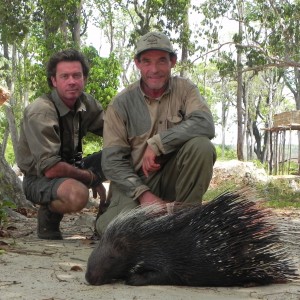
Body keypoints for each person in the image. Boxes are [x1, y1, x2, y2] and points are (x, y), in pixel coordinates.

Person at [96, 31, 217, 235]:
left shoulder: (186, 89)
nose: (154, 69)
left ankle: (186, 222)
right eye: (147, 62)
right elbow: (112, 162)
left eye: (161, 61)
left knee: (202, 146)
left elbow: (205, 123)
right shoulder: (120, 104)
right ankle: (121, 217)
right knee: (119, 232)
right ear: (137, 63)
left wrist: (158, 143)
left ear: (173, 62)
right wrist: (144, 195)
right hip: (134, 184)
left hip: (172, 177)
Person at [17, 49, 106, 240]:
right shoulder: (40, 111)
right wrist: (91, 178)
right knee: (78, 195)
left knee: (123, 153)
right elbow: (49, 168)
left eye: (77, 75)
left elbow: (116, 134)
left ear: (84, 79)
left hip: (72, 166)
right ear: (54, 81)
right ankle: (49, 214)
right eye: (64, 76)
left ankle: (109, 217)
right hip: (39, 178)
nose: (72, 81)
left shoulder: (87, 103)